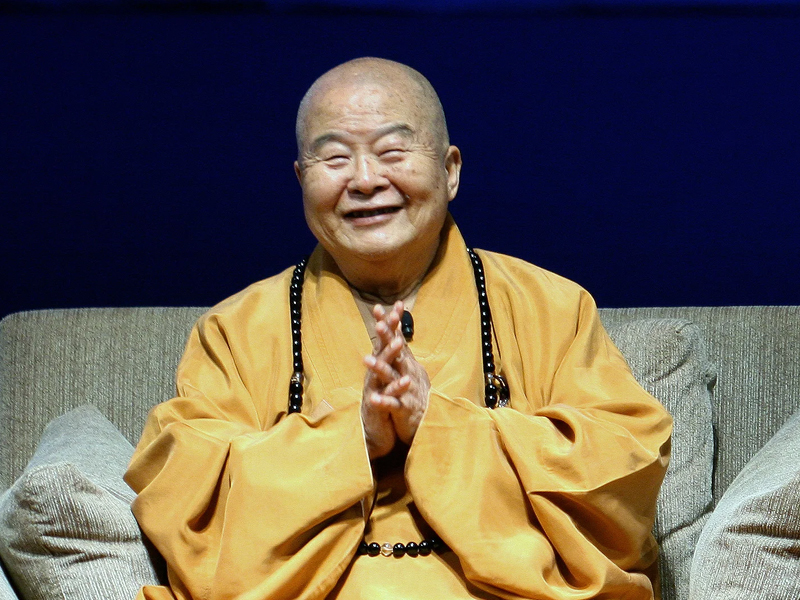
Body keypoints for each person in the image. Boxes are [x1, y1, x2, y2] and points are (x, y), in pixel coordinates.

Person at [125, 57, 672, 600]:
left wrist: (437, 423)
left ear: (450, 171)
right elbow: (184, 493)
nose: (365, 180)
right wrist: (354, 439)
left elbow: (622, 469)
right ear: (300, 179)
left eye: (392, 152)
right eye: (335, 158)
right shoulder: (234, 330)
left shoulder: (551, 307)